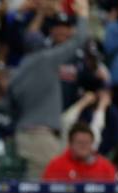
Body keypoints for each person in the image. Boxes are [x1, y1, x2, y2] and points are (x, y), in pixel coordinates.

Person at [8, 0, 89, 180]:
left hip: (24, 133)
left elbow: (12, 105)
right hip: (41, 137)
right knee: (47, 188)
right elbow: (79, 40)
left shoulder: (18, 70)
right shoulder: (46, 59)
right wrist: (83, 15)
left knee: (33, 186)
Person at [42, 122, 117, 182]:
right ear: (70, 144)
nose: (83, 146)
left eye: (87, 142)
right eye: (80, 142)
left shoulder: (105, 167)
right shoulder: (56, 165)